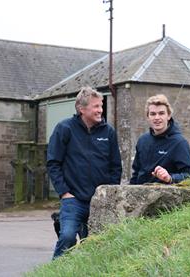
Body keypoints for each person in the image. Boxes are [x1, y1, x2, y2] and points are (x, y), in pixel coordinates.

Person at [47, 87, 122, 259]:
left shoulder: (108, 132)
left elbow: (115, 166)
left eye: (101, 106)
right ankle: (56, 271)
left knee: (95, 245)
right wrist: (64, 192)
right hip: (74, 200)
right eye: (96, 106)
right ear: (82, 109)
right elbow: (53, 163)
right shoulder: (64, 128)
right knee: (67, 237)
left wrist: (108, 193)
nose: (100, 110)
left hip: (99, 201)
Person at [130, 94, 190, 184]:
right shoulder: (142, 140)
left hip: (165, 196)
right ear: (148, 117)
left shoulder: (179, 143)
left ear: (169, 116)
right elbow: (136, 174)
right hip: (140, 195)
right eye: (153, 114)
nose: (157, 118)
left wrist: (170, 178)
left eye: (161, 113)